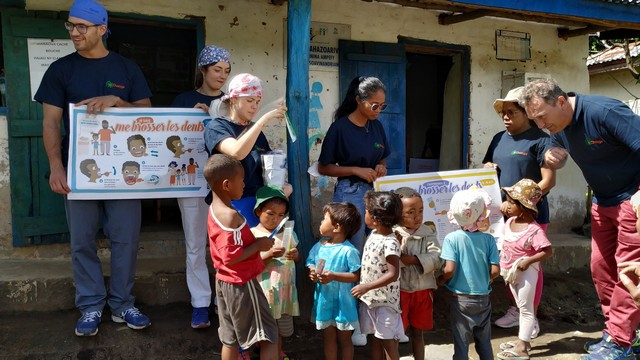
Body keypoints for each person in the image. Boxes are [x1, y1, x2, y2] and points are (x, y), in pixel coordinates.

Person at [35, 0, 152, 337]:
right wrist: (57, 167)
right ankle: (90, 305)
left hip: (125, 176)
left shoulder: (127, 69)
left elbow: (145, 113)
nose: (74, 32)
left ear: (102, 28)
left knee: (125, 239)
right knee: (82, 240)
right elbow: (51, 123)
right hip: (80, 174)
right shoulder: (60, 70)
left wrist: (118, 102)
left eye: (81, 26)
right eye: (70, 25)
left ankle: (122, 304)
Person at [521, 78, 640, 359]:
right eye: (534, 120)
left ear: (561, 101)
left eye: (541, 117)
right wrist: (552, 155)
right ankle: (618, 333)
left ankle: (621, 342)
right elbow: (553, 143)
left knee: (626, 270)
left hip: (632, 200)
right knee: (601, 270)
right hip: (602, 200)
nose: (540, 126)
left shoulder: (603, 111)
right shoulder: (558, 124)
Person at [483, 86, 556, 337]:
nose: (505, 117)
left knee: (529, 268)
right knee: (508, 264)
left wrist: (521, 205)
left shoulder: (542, 140)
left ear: (526, 112)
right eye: (503, 112)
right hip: (504, 216)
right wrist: (487, 167)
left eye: (511, 112)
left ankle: (530, 316)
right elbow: (486, 167)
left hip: (531, 217)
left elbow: (548, 181)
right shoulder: (497, 139)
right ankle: (517, 309)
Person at [171, 45, 231, 329]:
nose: (222, 76)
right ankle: (199, 303)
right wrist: (189, 117)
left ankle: (223, 301)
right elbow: (170, 136)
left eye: (226, 71)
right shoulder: (183, 100)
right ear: (203, 70)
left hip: (222, 184)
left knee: (223, 245)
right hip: (190, 182)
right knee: (195, 245)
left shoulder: (230, 103)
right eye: (217, 70)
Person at [204, 153, 278, 360]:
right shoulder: (231, 216)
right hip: (242, 283)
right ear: (227, 184)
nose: (244, 185)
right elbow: (231, 256)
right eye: (242, 180)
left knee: (230, 339)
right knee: (269, 335)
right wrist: (259, 245)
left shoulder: (214, 209)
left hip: (224, 281)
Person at [317, 76, 390, 255]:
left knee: (380, 244)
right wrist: (354, 170)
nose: (379, 110)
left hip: (375, 191)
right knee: (353, 248)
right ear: (359, 100)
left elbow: (382, 156)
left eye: (382, 106)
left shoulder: (377, 126)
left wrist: (381, 166)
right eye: (374, 105)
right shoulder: (339, 128)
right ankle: (351, 283)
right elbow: (323, 167)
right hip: (349, 192)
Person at [205, 73, 287, 227]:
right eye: (249, 100)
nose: (255, 106)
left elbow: (264, 168)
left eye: (257, 101)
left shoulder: (256, 131)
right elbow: (237, 152)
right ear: (234, 99)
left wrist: (278, 188)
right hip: (231, 205)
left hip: (258, 204)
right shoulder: (217, 126)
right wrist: (263, 120)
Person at [439, 188, 500, 360]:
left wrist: (441, 279)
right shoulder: (488, 239)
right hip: (483, 297)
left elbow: (449, 269)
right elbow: (495, 270)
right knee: (484, 340)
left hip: (460, 300)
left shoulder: (452, 239)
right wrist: (488, 279)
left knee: (461, 341)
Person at [496, 179, 553, 360]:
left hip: (526, 273)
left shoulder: (534, 230)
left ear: (524, 206)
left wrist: (528, 261)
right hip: (511, 273)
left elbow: (547, 251)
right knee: (521, 307)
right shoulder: (510, 221)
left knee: (526, 309)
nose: (508, 205)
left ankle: (522, 348)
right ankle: (524, 341)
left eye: (512, 202)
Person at [351, 191, 403, 360]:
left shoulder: (390, 242)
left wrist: (366, 286)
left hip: (385, 303)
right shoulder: (374, 234)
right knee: (375, 339)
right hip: (370, 300)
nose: (364, 213)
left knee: (388, 343)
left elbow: (393, 274)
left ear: (375, 219)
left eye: (366, 210)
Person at [306, 202, 362, 360]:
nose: (321, 222)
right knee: (328, 338)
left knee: (345, 339)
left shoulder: (349, 251)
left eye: (324, 219)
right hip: (324, 301)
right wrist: (312, 272)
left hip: (343, 304)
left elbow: (356, 275)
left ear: (336, 226)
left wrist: (334, 276)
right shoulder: (320, 245)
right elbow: (311, 262)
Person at [252, 185, 300, 360]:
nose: (275, 219)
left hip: (284, 292)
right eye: (270, 214)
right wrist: (268, 255)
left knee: (280, 329)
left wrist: (295, 255)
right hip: (265, 293)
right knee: (266, 330)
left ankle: (278, 354)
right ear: (258, 211)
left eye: (281, 215)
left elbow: (298, 258)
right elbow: (249, 264)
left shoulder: (288, 234)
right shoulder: (253, 235)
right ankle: (263, 352)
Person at [393, 187, 442, 360]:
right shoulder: (393, 234)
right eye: (411, 212)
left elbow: (437, 258)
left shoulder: (427, 233)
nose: (417, 216)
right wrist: (397, 251)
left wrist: (412, 259)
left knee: (418, 332)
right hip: (400, 292)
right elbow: (386, 262)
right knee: (395, 334)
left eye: (421, 211)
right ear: (398, 213)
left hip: (422, 291)